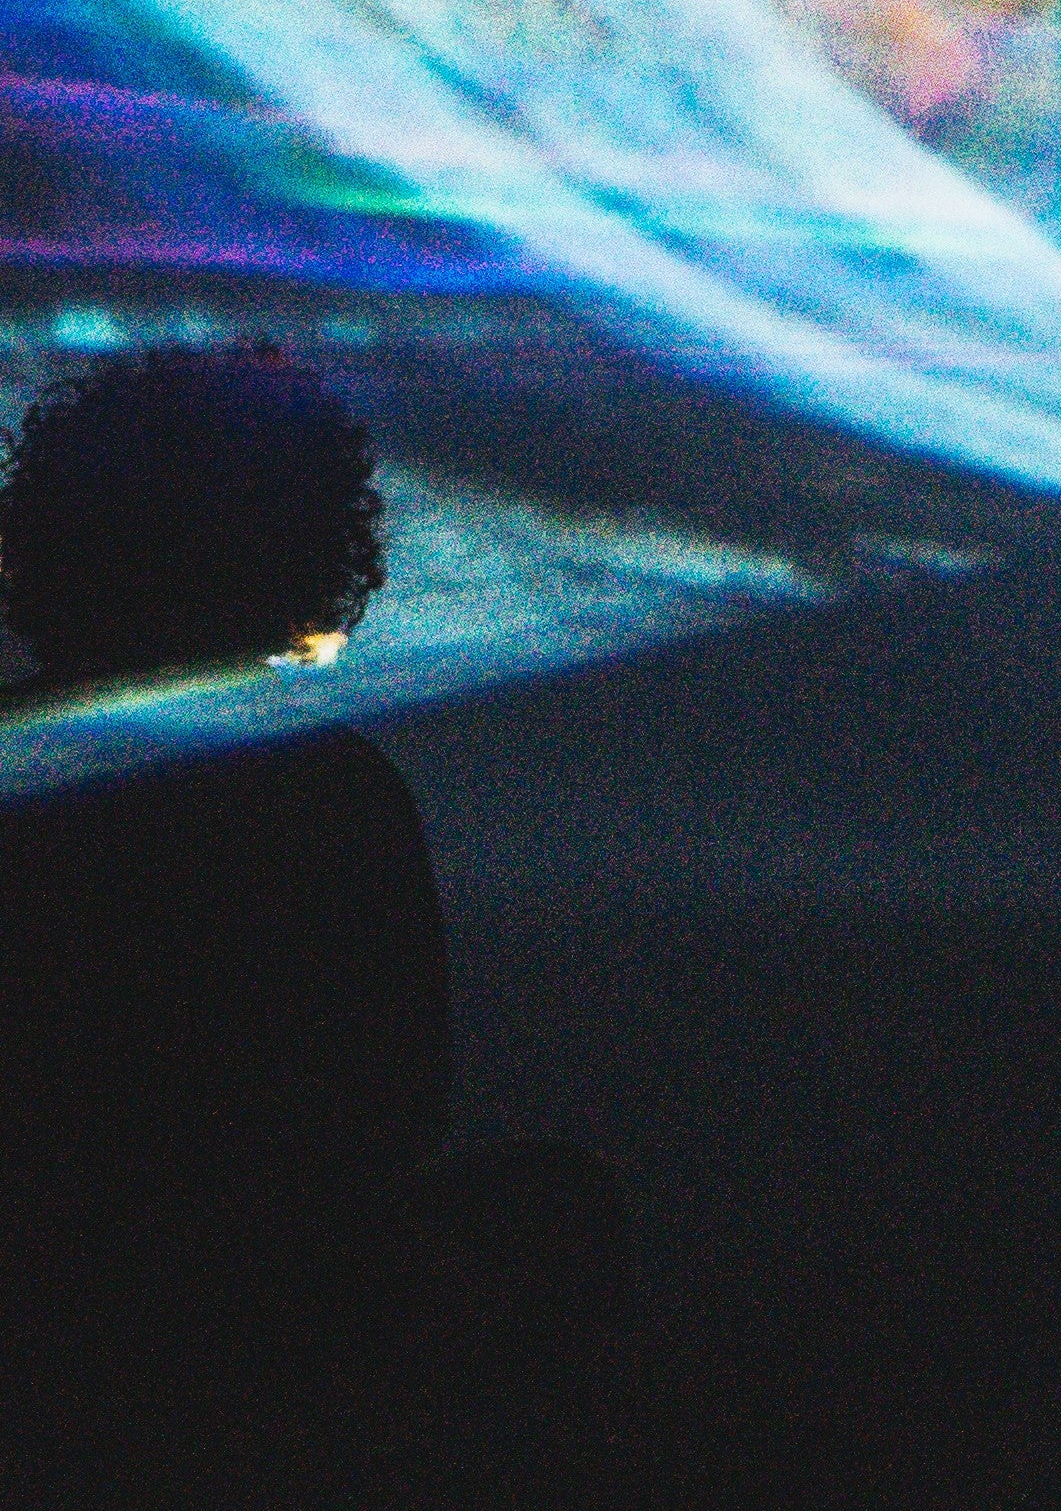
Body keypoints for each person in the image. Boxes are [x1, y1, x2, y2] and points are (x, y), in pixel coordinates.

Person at [0, 341, 625, 1408]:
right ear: (304, 549)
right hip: (249, 1312)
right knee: (556, 1207)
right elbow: (396, 1105)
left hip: (65, 1293)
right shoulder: (328, 792)